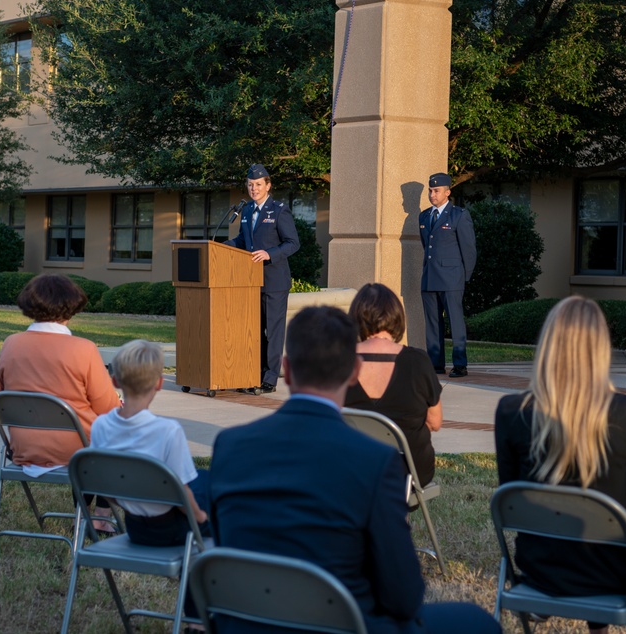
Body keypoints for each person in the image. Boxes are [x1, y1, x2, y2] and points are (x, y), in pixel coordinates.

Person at [209, 306, 501, 634]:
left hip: (247, 623)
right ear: (353, 371)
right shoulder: (375, 461)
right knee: (475, 621)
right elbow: (404, 598)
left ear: (286, 370)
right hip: (345, 624)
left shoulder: (230, 446)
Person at [494, 296, 626, 632]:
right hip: (614, 568)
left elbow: (511, 496)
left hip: (541, 567)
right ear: (600, 349)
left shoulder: (510, 411)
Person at [89, 339, 210, 545]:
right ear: (159, 383)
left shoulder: (101, 425)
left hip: (136, 528)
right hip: (172, 529)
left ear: (115, 381)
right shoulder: (168, 431)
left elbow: (102, 483)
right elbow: (182, 492)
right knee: (212, 486)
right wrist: (201, 519)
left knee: (204, 477)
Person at [0, 274, 119, 467]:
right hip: (80, 448)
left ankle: (82, 498)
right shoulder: (83, 348)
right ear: (72, 307)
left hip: (25, 448)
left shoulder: (10, 343)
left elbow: (2, 400)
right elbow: (107, 409)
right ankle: (88, 497)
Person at [345, 282, 442, 486]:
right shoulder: (418, 361)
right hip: (407, 474)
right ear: (397, 317)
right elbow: (435, 423)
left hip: (351, 470)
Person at [224, 163, 299, 393]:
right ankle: (253, 374)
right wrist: (220, 246)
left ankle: (269, 379)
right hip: (250, 282)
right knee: (254, 330)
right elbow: (242, 241)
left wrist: (270, 254)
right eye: (250, 185)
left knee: (273, 331)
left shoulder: (278, 210)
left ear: (268, 185)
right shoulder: (246, 211)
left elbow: (293, 243)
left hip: (274, 281)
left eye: (258, 184)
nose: (253, 189)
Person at [418, 172, 476, 378]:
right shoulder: (424, 216)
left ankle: (460, 365)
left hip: (452, 279)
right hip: (430, 278)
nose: (432, 194)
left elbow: (468, 250)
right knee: (433, 323)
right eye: (430, 190)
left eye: (436, 191)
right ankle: (436, 364)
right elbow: (428, 247)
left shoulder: (459, 215)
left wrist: (463, 277)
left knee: (455, 322)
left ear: (447, 192)